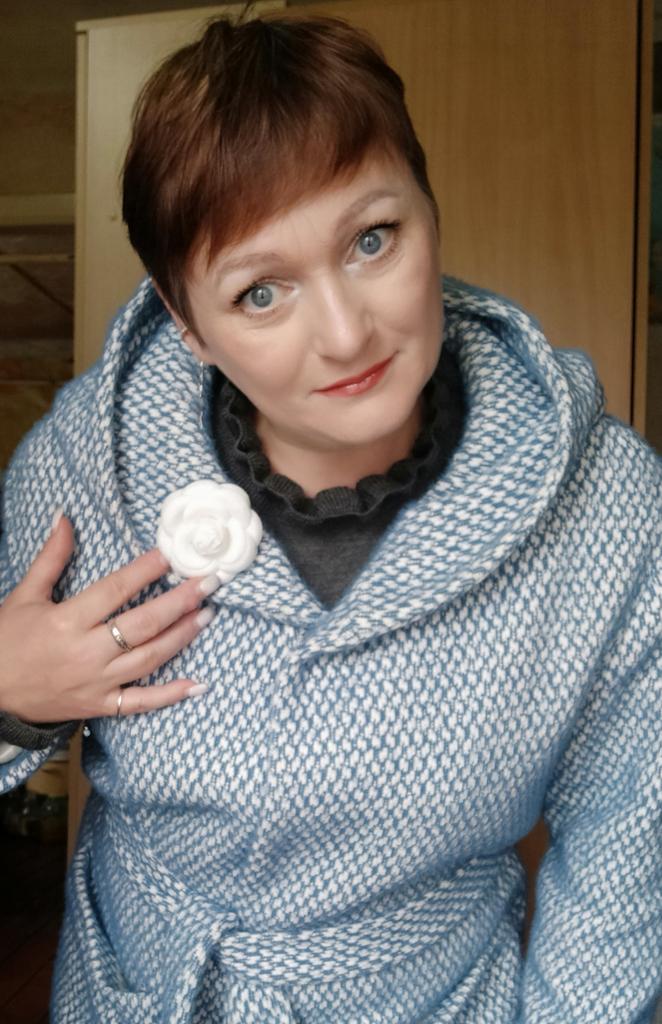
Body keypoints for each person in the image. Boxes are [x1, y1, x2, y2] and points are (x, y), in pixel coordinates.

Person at [0, 12, 660, 1024]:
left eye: (372, 240)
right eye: (260, 293)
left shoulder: (611, 512)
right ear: (186, 323)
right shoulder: (85, 465)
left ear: (430, 207)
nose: (347, 334)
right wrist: (10, 699)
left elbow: (622, 856)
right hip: (139, 985)